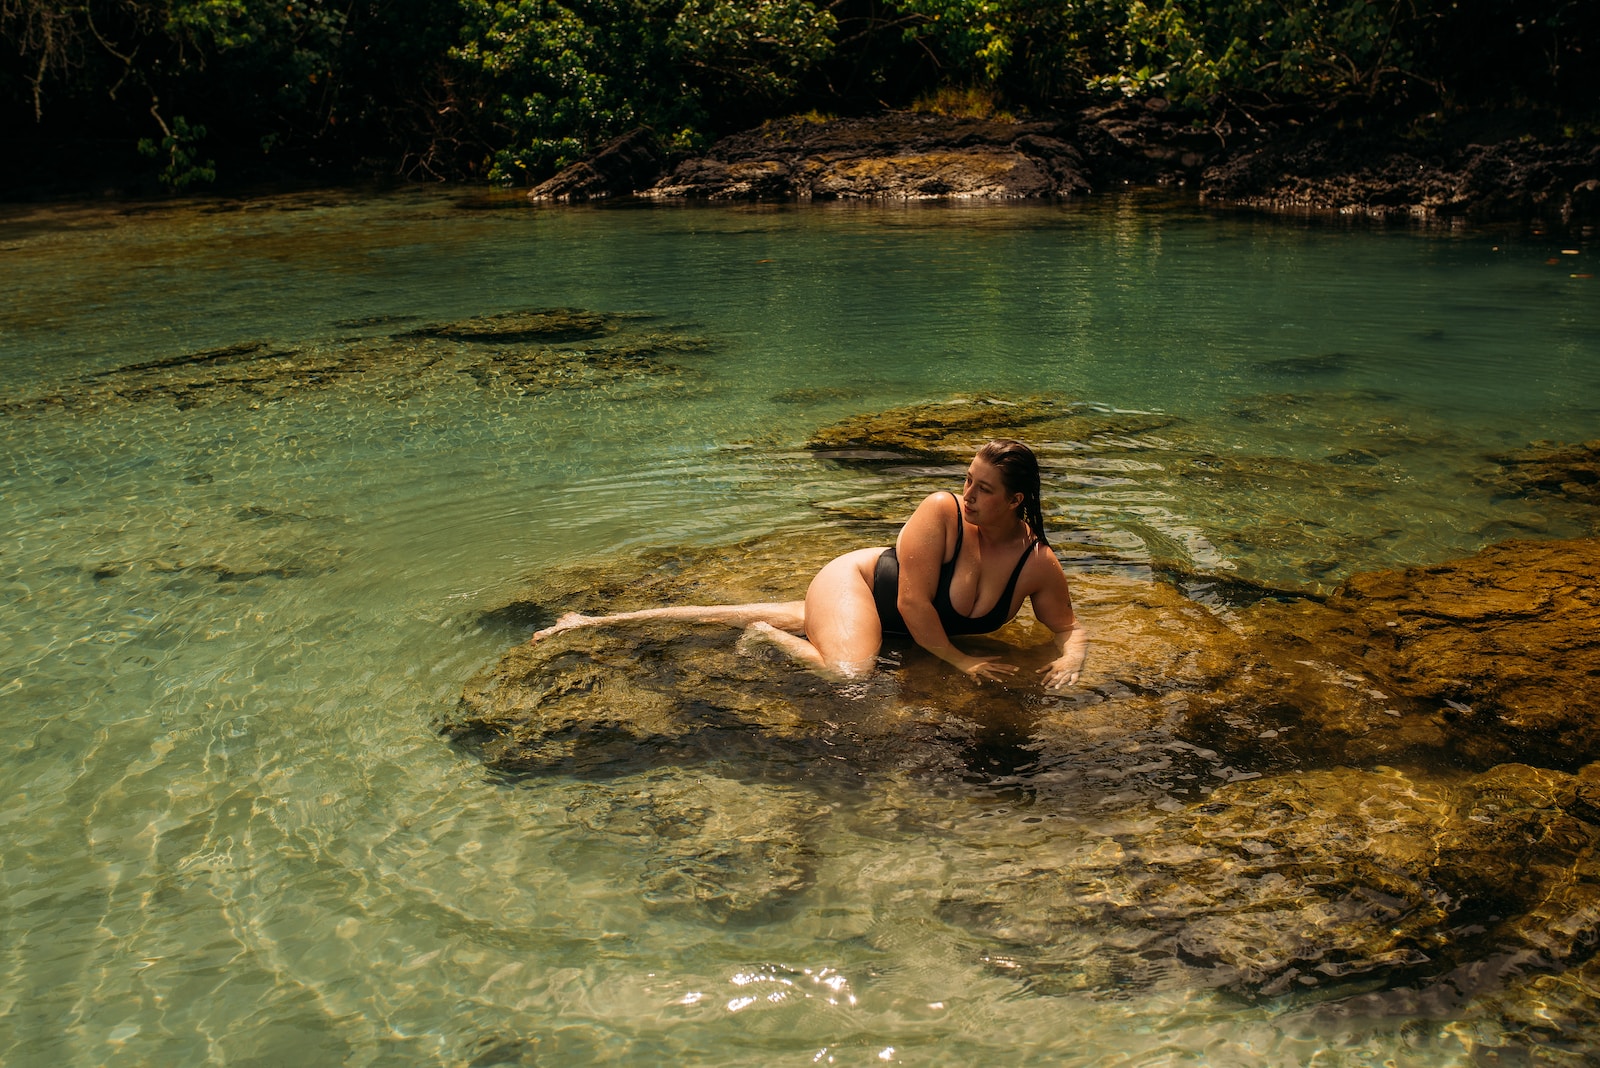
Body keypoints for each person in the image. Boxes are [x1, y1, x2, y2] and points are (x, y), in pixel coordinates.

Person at [531, 438, 1088, 689]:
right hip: (857, 587)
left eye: (983, 489)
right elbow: (914, 600)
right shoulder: (941, 511)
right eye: (967, 478)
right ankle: (765, 635)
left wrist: (1072, 662)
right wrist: (958, 661)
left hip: (886, 621)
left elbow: (1069, 626)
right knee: (847, 674)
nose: (966, 493)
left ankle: (589, 623)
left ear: (1016, 501)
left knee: (709, 613)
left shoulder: (1035, 562)